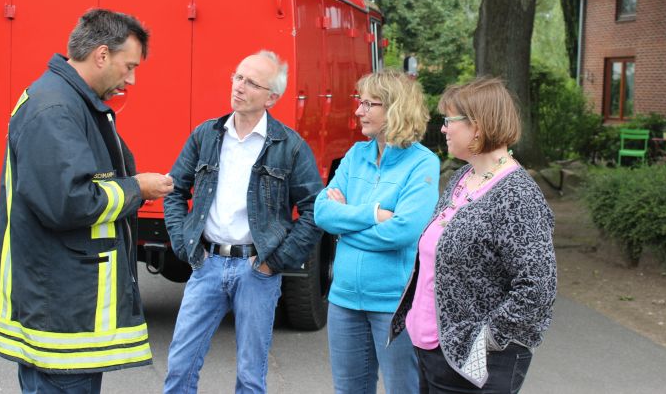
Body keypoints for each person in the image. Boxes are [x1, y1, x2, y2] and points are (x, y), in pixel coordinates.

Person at [0, 9, 174, 394]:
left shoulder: (66, 100)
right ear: (102, 55)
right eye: (129, 66)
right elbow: (68, 202)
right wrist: (137, 189)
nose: (131, 79)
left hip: (63, 306)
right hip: (60, 316)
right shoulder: (56, 109)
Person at [163, 50, 324, 394]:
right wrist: (184, 244)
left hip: (256, 270)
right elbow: (173, 190)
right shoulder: (206, 135)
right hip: (206, 264)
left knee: (251, 377)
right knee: (179, 367)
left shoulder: (290, 146)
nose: (239, 86)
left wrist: (274, 262)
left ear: (272, 97)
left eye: (251, 82)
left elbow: (315, 210)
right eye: (238, 77)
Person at [390, 77, 557, 394]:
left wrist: (486, 339)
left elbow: (538, 287)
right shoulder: (463, 177)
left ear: (477, 126)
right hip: (432, 351)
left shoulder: (517, 195)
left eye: (448, 120)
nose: (443, 129)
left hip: (475, 364)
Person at [314, 70, 440, 393]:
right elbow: (322, 212)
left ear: (396, 108)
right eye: (360, 102)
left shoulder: (423, 163)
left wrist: (345, 230)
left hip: (393, 304)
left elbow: (403, 231)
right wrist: (372, 214)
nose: (359, 111)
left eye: (369, 104)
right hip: (343, 300)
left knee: (403, 390)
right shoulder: (356, 154)